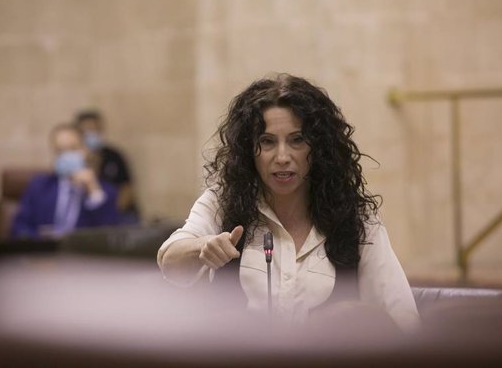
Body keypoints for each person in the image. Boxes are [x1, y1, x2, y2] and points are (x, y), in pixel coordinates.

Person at [157, 74, 419, 330]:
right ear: (249, 150)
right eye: (267, 142)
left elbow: (403, 321)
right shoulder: (223, 201)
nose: (282, 157)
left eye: (297, 140)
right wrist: (202, 247)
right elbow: (169, 259)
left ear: (317, 147)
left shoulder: (356, 217)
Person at [11, 123, 123, 238]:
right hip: (44, 252)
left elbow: (109, 236)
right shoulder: (39, 186)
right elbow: (19, 227)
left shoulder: (105, 192)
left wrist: (93, 191)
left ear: (86, 150)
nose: (66, 155)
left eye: (73, 149)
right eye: (60, 151)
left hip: (81, 254)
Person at [75, 110, 137, 215]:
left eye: (94, 129)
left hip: (117, 214)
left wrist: (111, 213)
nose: (91, 134)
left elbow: (127, 189)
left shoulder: (114, 156)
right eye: (87, 131)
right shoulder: (75, 160)